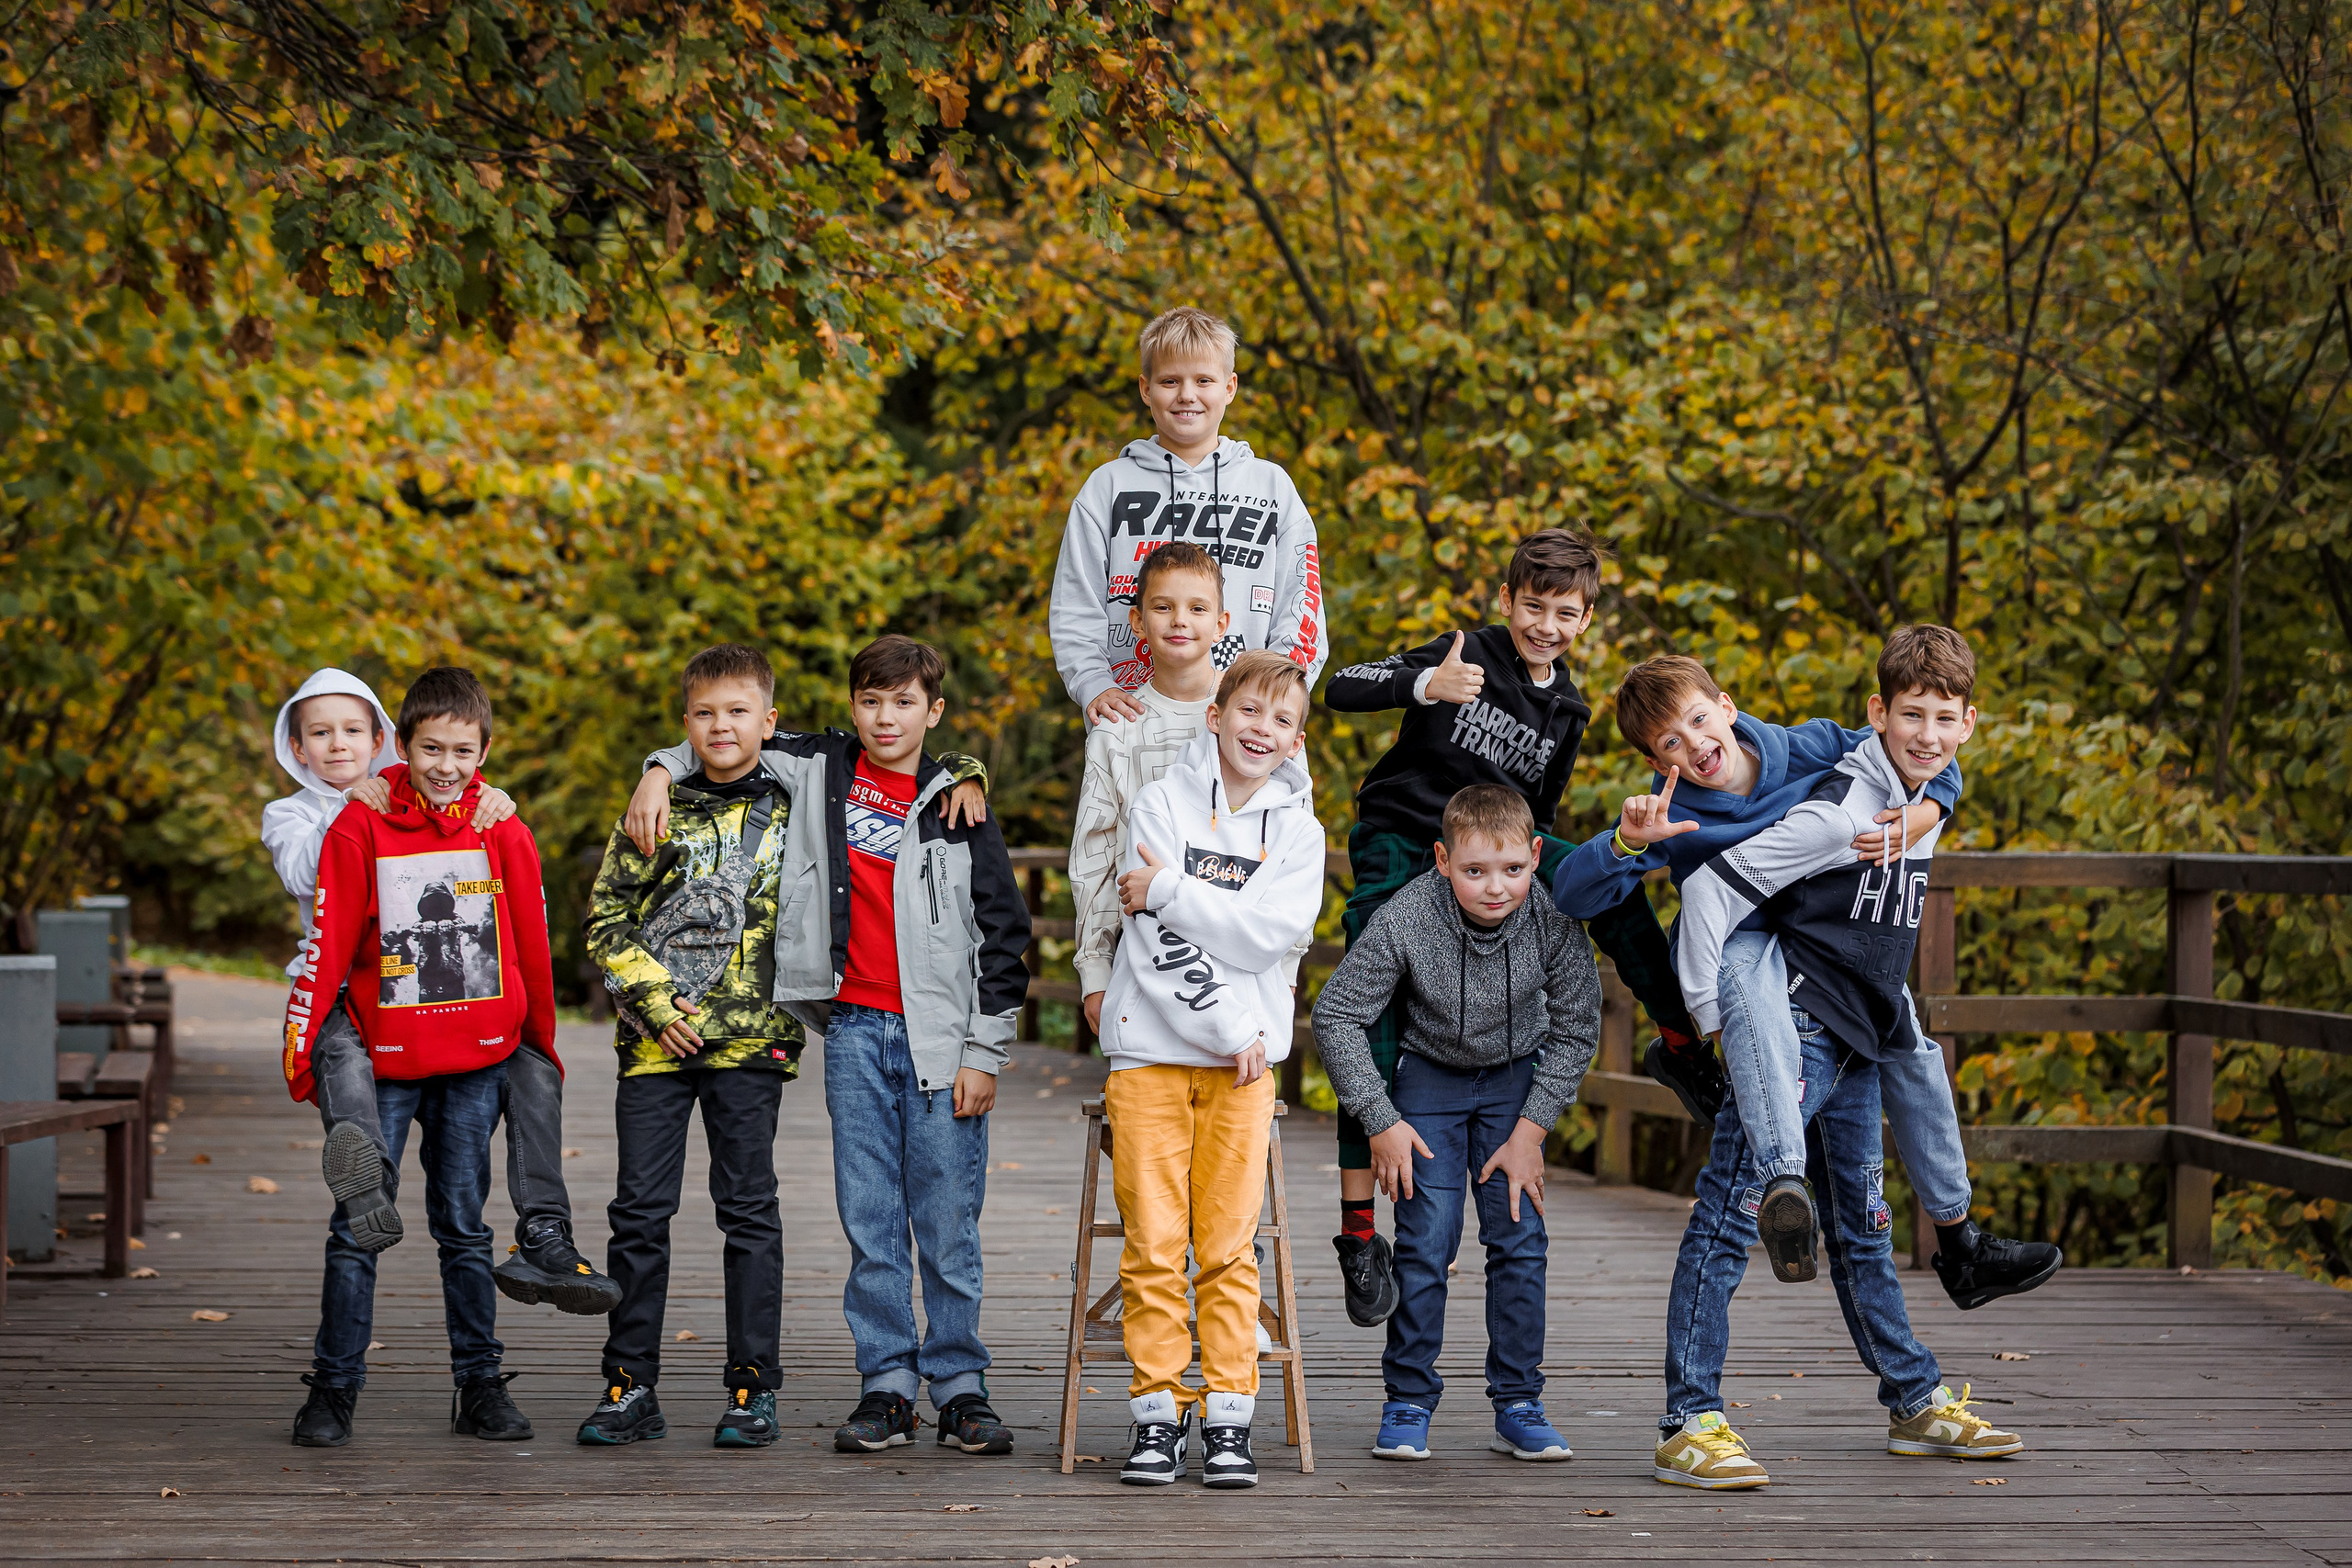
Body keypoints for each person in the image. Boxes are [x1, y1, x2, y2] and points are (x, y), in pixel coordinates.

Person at [619, 637, 1030, 1459]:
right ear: (851, 707)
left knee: (947, 1217)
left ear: (933, 711)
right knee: (869, 1215)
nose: (886, 717)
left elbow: (1005, 932)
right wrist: (657, 770)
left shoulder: (957, 803)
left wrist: (986, 1050)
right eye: (871, 701)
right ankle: (886, 1385)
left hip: (944, 1041)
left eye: (905, 702)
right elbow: (725, 733)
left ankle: (959, 1386)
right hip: (851, 1030)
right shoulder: (817, 768)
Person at [1582, 649, 2057, 1306]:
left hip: (1812, 934)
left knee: (1914, 1049)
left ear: (1727, 708)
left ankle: (1961, 1238)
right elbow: (1581, 892)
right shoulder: (1673, 809)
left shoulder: (1808, 747)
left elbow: (1912, 747)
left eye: (1698, 719)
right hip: (1734, 938)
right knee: (1750, 998)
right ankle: (1742, 1122)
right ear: (1656, 760)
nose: (1694, 744)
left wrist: (1935, 808)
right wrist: (1628, 841)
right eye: (1671, 741)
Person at [1317, 527, 1703, 1327]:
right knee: (1370, 1015)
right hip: (1408, 837)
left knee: (1613, 885)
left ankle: (1681, 1043)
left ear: (1586, 618)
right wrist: (1424, 682)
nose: (1546, 625)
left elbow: (1545, 816)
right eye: (1534, 605)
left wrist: (1556, 884)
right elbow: (1338, 686)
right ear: (1507, 601)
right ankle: (1361, 1234)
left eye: (1566, 612)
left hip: (1501, 848)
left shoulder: (1568, 708)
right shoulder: (1467, 653)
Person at [262, 668, 615, 1316]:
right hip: (343, 992)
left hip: (453, 1015)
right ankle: (366, 1176)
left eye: (350, 731)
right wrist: (360, 804)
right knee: (337, 1060)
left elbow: (523, 934)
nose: (337, 746)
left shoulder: (478, 813)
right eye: (320, 733)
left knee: (519, 1103)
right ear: (297, 746)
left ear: (378, 740)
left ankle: (546, 1235)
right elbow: (312, 877)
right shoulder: (314, 814)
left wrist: (485, 795)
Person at [281, 667, 557, 1449]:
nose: (446, 764)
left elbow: (529, 944)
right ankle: (334, 1387)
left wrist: (537, 1042)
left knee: (464, 1227)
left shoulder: (501, 826)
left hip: (472, 1060)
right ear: (400, 747)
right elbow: (331, 944)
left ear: (485, 751)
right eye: (430, 747)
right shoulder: (358, 824)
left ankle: (479, 1384)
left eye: (462, 750)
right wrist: (305, 1049)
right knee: (356, 1222)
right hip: (385, 1055)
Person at [1310, 785, 1600, 1464]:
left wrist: (1532, 1131)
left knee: (1520, 1238)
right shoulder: (1407, 915)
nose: (1495, 887)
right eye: (1474, 870)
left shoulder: (1555, 918)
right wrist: (1381, 1119)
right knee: (1425, 1241)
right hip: (1430, 1082)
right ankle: (1408, 1400)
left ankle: (1520, 1401)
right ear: (1442, 859)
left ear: (1534, 857)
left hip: (1515, 1083)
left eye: (1510, 869)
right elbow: (1337, 1013)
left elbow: (1579, 1024)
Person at [1096, 650, 1326, 1490]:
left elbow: (1274, 935)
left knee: (1228, 1246)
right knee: (1155, 1245)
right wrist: (1233, 1018)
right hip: (1155, 1054)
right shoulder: (1158, 802)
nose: (1262, 729)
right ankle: (1157, 1411)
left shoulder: (1299, 832)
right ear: (1216, 714)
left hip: (1243, 1073)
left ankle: (1229, 1415)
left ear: (1296, 739)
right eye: (1250, 711)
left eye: (1281, 720)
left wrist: (1171, 891)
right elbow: (1155, 941)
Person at [579, 643, 813, 1450]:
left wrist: (965, 773)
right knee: (638, 1213)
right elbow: (604, 921)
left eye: (738, 711)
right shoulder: (656, 807)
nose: (722, 725)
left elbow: (897, 748)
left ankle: (753, 1389)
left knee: (748, 1212)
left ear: (768, 721)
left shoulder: (798, 804)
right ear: (685, 724)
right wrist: (650, 1000)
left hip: (750, 1047)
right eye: (705, 712)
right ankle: (629, 1384)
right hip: (653, 1048)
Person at [1048, 305, 1327, 726]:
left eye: (1203, 381)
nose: (1187, 395)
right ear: (1145, 389)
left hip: (1250, 727)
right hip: (1135, 721)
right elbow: (1075, 603)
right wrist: (1092, 684)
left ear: (1229, 387)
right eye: (1170, 381)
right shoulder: (1108, 487)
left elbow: (1302, 606)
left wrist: (1275, 699)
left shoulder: (1271, 487)